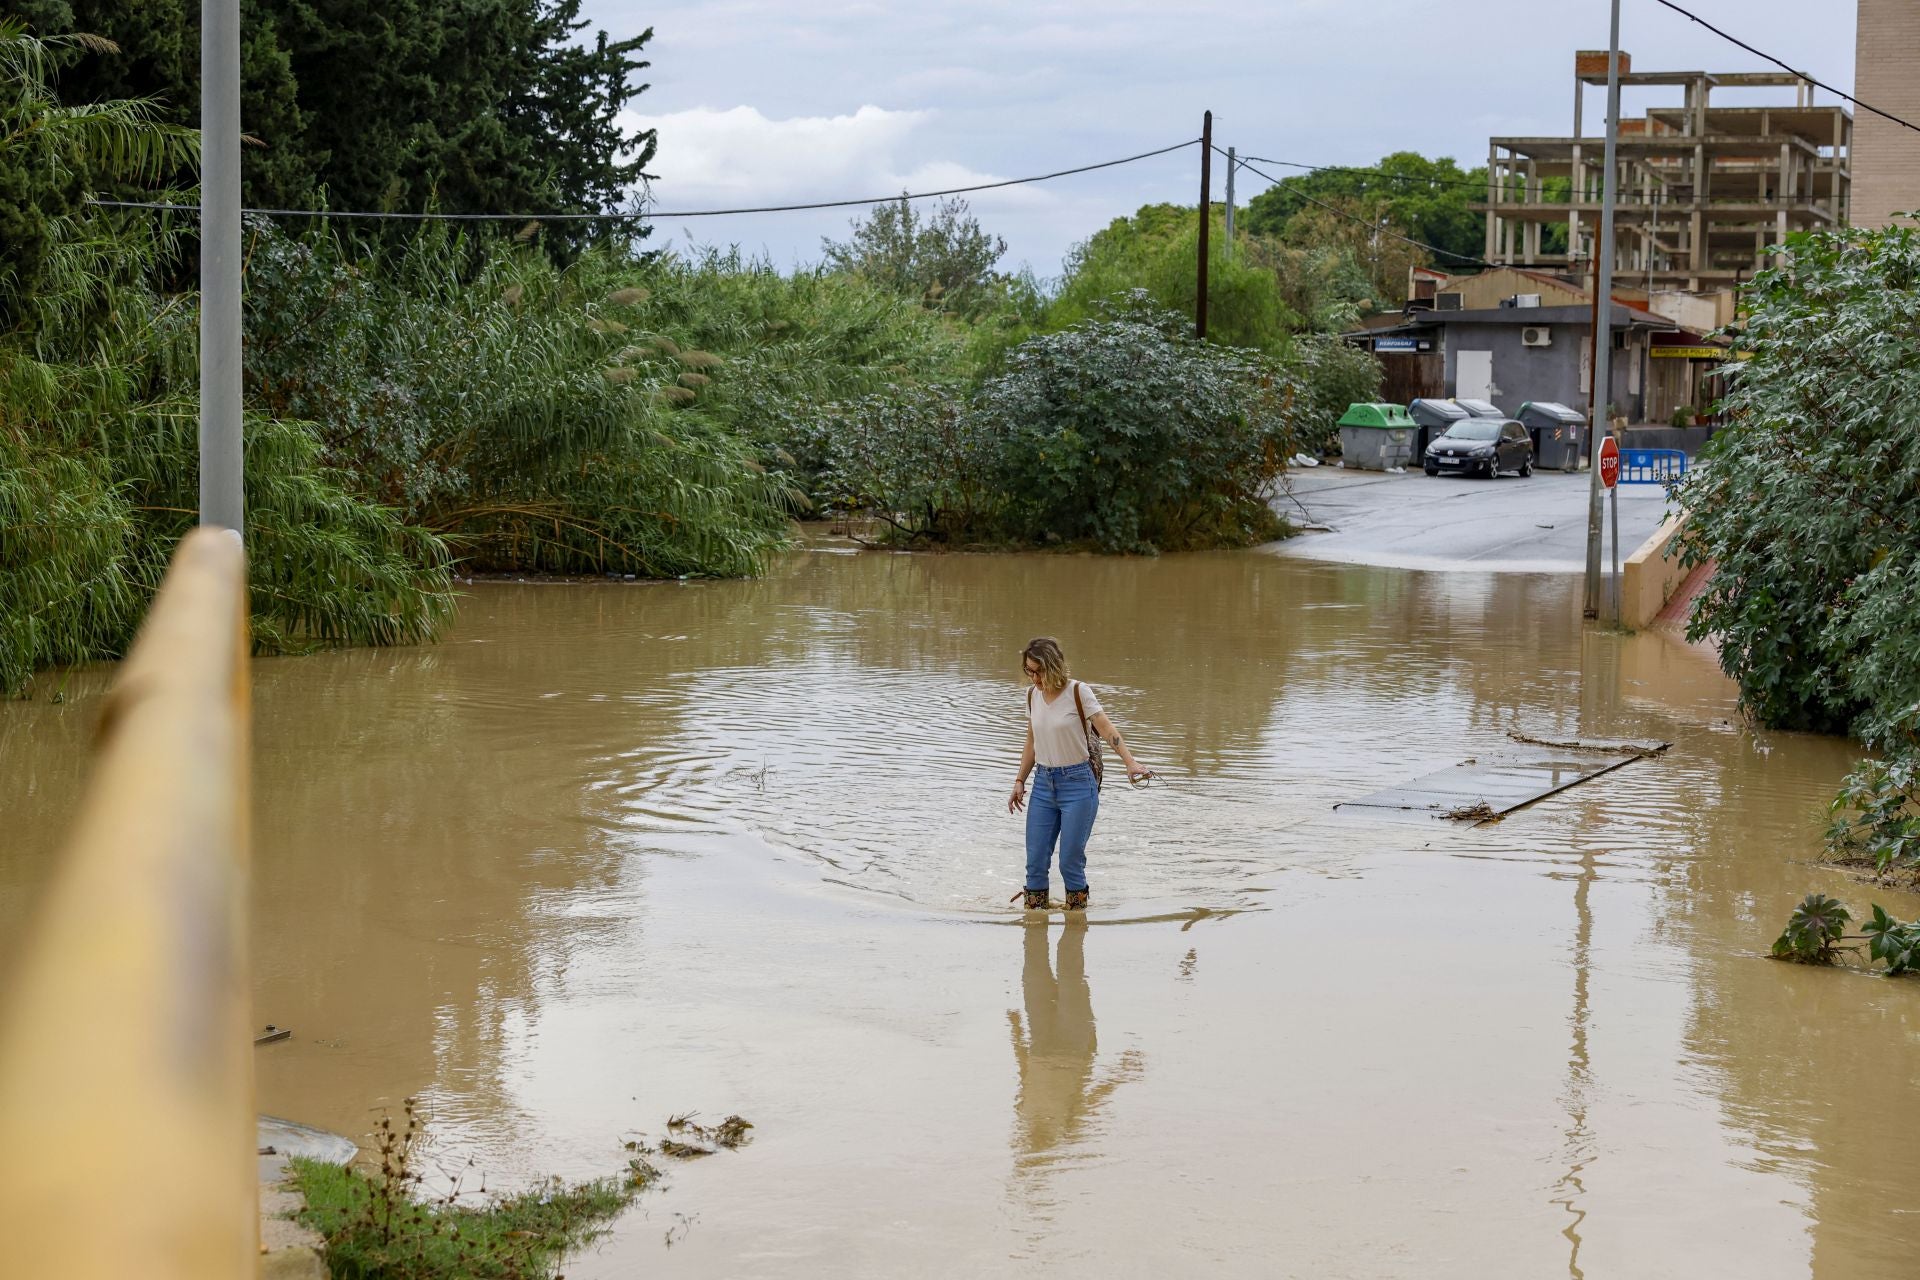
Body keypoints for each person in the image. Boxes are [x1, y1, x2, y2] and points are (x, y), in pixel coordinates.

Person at [1007, 637, 1149, 911]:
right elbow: (1031, 741)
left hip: (1078, 785)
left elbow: (1107, 729)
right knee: (1035, 861)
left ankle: (1077, 923)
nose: (1034, 677)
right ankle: (1035, 925)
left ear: (1054, 666)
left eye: (1039, 671)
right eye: (1029, 670)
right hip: (1043, 785)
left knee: (1069, 861)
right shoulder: (1032, 696)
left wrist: (1131, 763)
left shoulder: (1078, 692)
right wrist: (1019, 780)